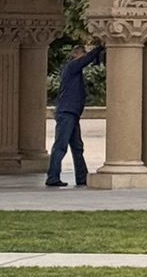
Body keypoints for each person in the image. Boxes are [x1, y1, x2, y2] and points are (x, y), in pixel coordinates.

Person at [45, 39, 105, 188]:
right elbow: (86, 60)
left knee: (77, 147)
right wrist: (99, 48)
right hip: (67, 112)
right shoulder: (72, 67)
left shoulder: (71, 71)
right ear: (77, 54)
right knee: (61, 145)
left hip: (71, 113)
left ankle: (82, 177)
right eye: (83, 53)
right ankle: (52, 177)